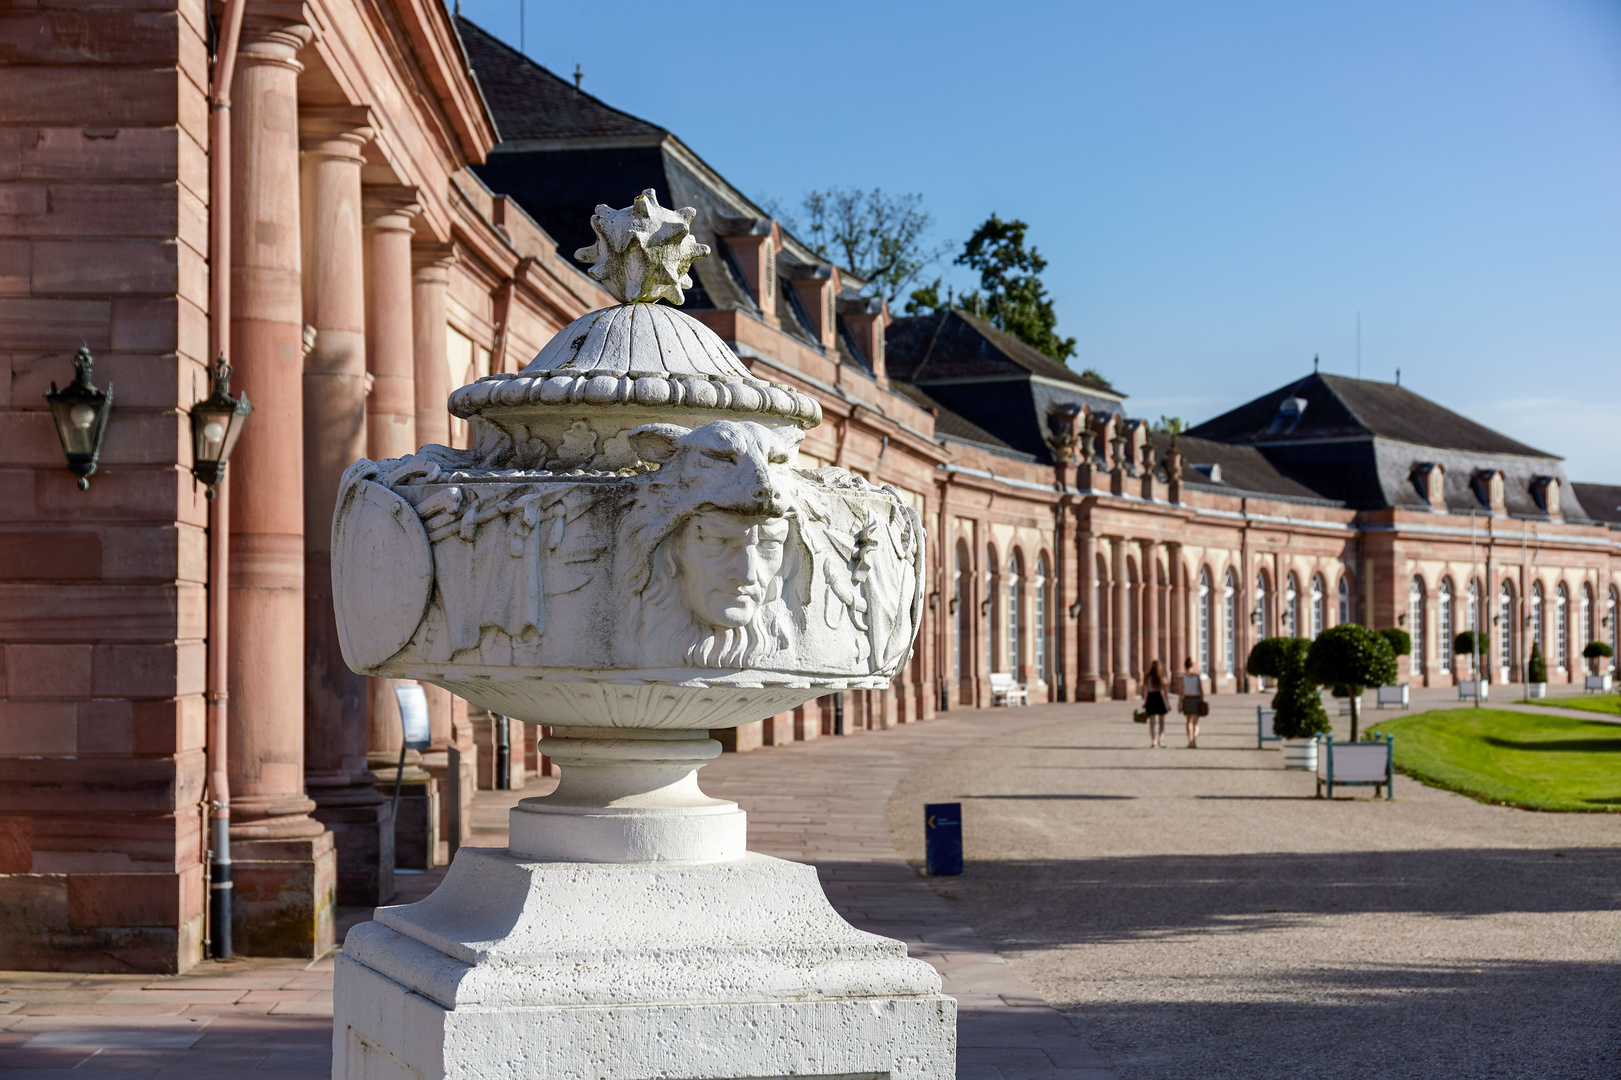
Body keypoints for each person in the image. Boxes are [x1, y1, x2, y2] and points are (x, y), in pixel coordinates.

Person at [1179, 657, 1205, 748]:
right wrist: (1202, 700)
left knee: (1188, 721)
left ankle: (1189, 740)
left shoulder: (1183, 677)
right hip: (1196, 699)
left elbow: (1181, 691)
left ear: (1184, 666)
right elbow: (1201, 690)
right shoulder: (1196, 676)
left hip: (1187, 699)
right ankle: (1194, 738)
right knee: (1195, 723)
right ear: (1192, 665)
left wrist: (1179, 703)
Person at [1142, 659, 1169, 748]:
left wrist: (1145, 702)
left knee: (1152, 722)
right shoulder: (1162, 677)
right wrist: (1167, 703)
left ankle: (1153, 740)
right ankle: (1160, 740)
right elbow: (1164, 692)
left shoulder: (1148, 677)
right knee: (1161, 721)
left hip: (1151, 698)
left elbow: (1146, 691)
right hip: (1159, 698)